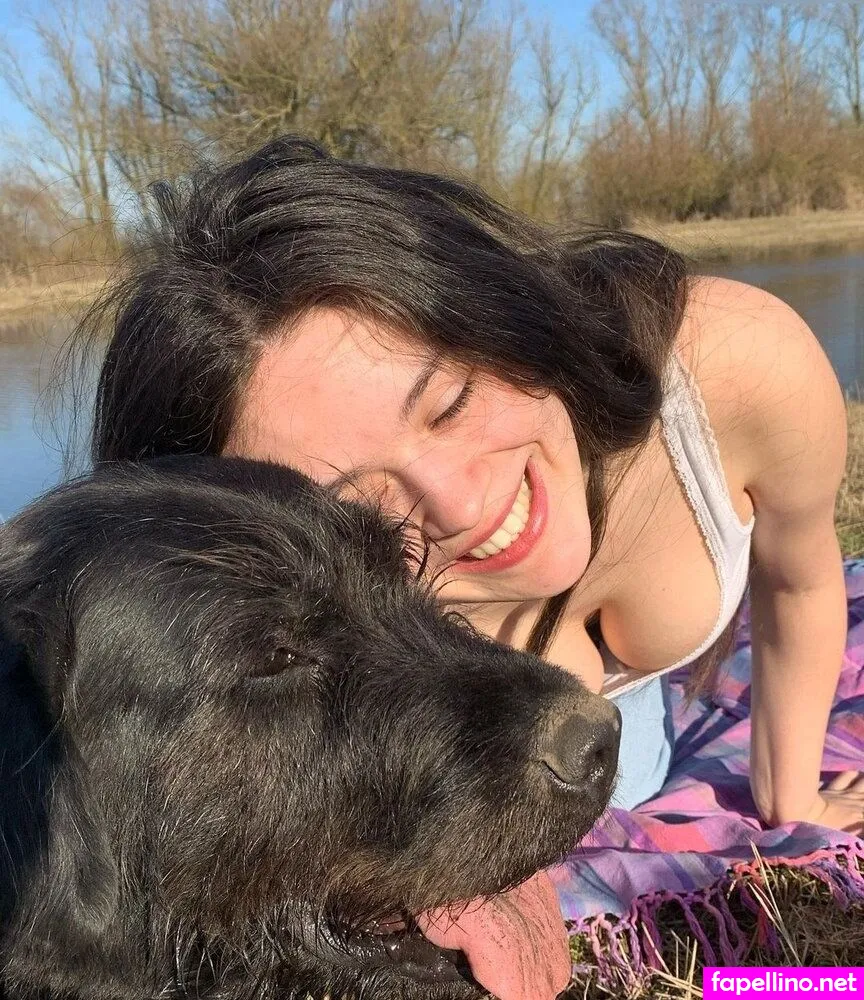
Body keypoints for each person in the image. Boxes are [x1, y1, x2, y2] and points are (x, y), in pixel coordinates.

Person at [80, 134, 860, 832]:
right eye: (359, 507)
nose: (460, 506)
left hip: (646, 747)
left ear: (507, 309)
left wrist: (793, 800)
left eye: (451, 402)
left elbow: (799, 583)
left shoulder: (739, 369)